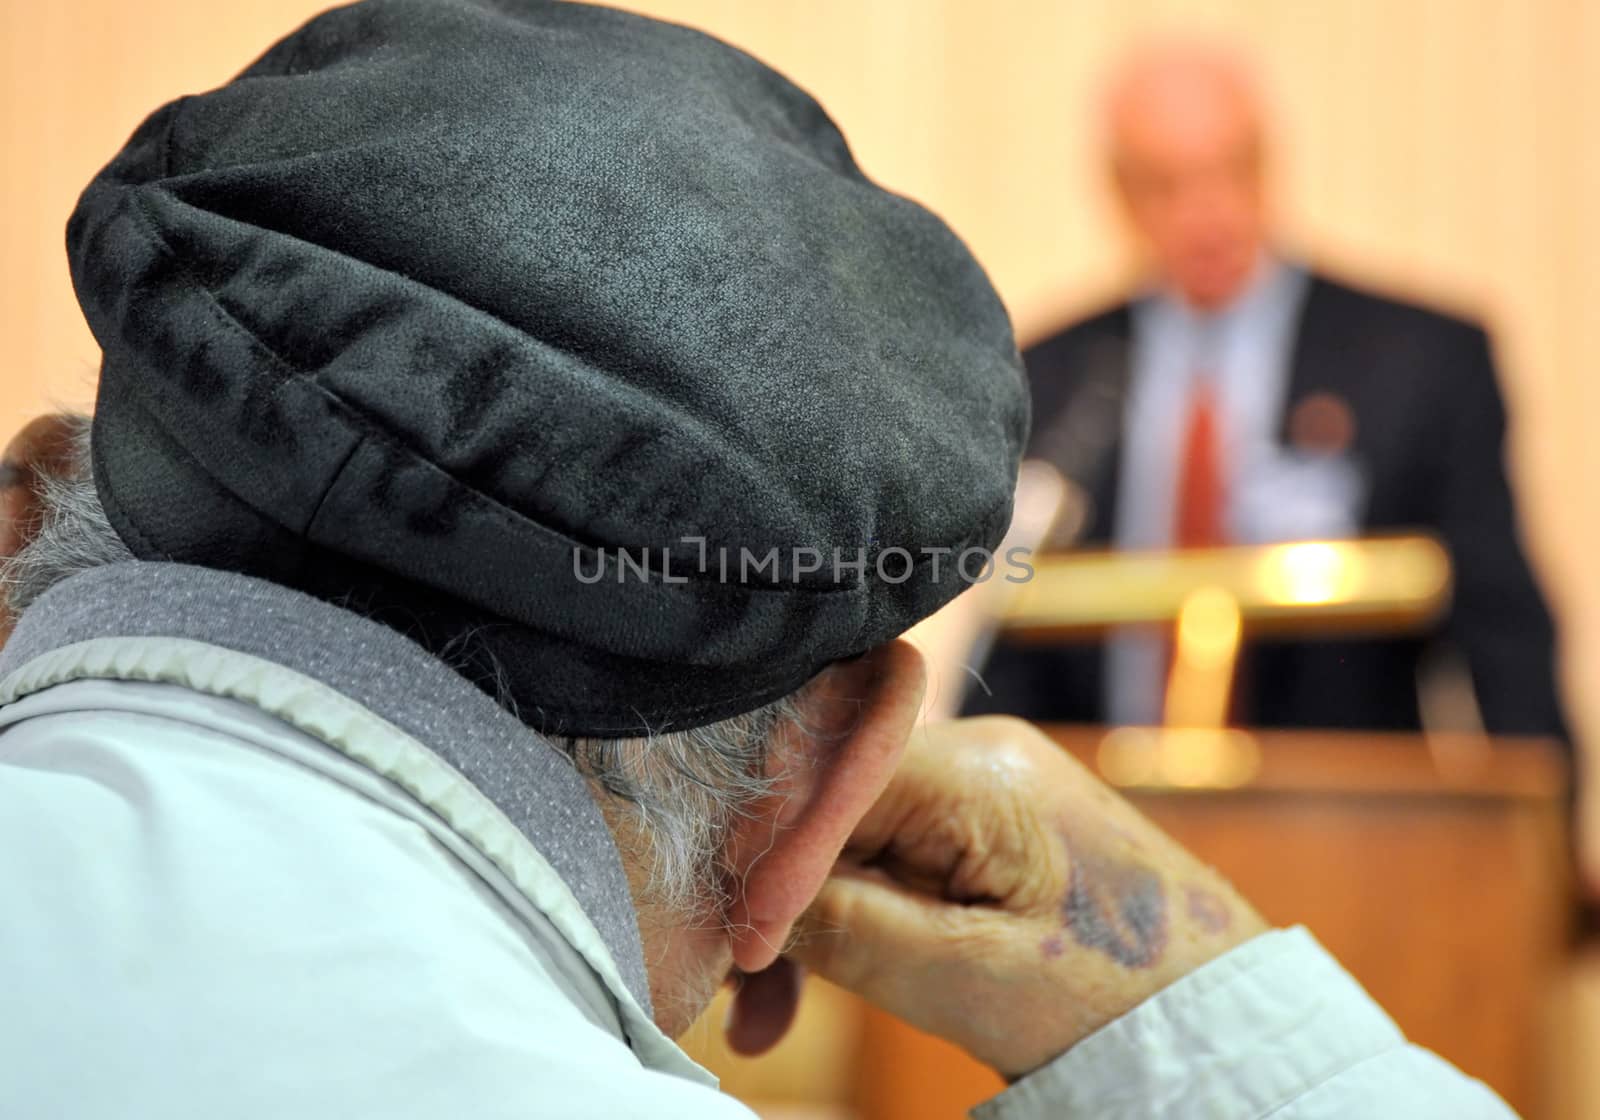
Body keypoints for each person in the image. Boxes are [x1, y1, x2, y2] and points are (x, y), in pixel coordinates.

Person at [0, 3, 1513, 1116]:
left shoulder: (1419, 351)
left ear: (19, 525)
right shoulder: (1080, 364)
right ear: (815, 793)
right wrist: (1210, 1031)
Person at [971, 43, 1567, 738]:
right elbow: (1003, 631)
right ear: (1119, 191)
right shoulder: (1046, 372)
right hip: (1103, 803)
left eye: (1231, 169)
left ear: (1268, 163)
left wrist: (1538, 830)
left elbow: (1503, 631)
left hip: (1337, 816)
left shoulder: (1418, 362)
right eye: (1168, 183)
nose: (1208, 211)